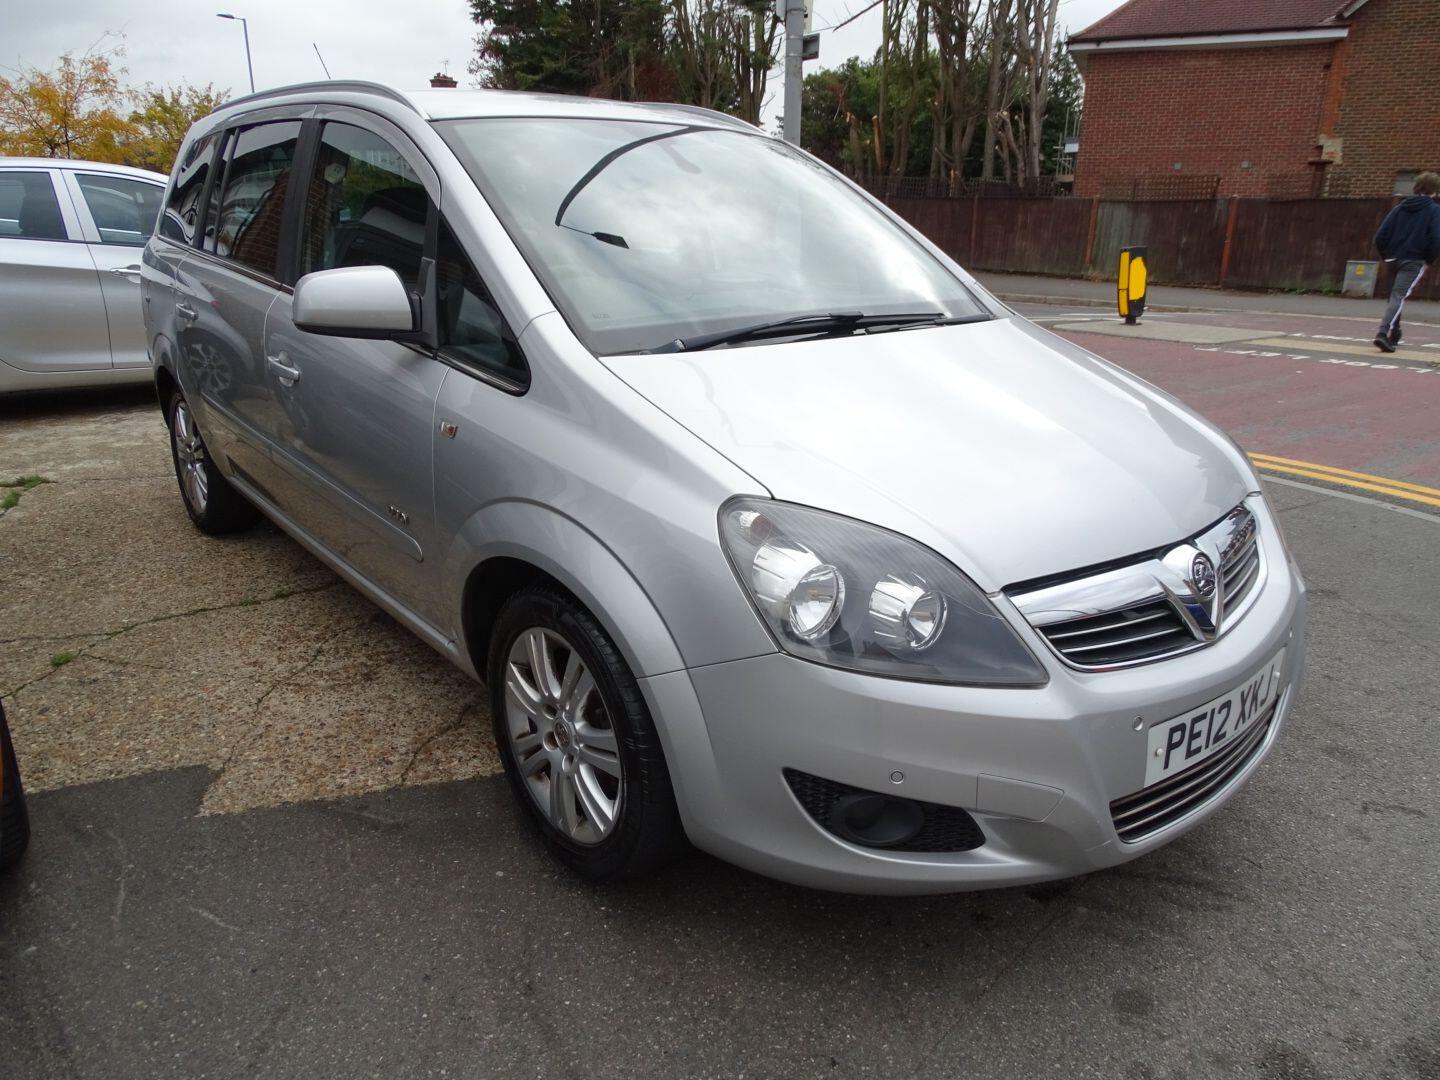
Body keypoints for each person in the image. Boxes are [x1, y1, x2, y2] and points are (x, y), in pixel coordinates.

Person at [1373, 171, 1440, 352]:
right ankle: (1382, 333)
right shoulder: (1434, 210)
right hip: (1414, 260)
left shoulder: (1400, 207)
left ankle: (1395, 332)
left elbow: (1380, 236)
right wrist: (1429, 260)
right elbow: (1436, 238)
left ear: (1416, 187)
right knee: (1398, 296)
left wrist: (1386, 254)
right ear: (1435, 190)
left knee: (1394, 296)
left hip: (1393, 258)